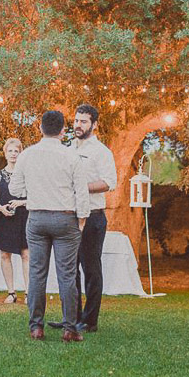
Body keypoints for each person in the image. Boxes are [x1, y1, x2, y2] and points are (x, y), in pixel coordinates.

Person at [11, 109, 90, 342]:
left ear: (40, 128)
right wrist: (82, 218)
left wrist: (35, 190)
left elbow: (15, 189)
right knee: (67, 275)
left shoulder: (27, 155)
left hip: (36, 218)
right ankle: (69, 329)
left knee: (37, 273)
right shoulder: (71, 156)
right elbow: (81, 191)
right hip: (66, 219)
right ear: (63, 130)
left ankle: (36, 327)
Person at [71, 104, 117, 332]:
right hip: (70, 217)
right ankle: (72, 317)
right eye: (76, 120)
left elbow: (109, 182)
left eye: (83, 121)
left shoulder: (101, 151)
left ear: (94, 124)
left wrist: (80, 187)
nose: (78, 125)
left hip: (93, 217)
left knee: (90, 269)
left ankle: (90, 321)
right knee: (70, 268)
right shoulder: (67, 148)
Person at [0, 137, 29, 304]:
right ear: (5, 153)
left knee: (26, 254)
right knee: (5, 255)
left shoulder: (27, 174)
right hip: (4, 219)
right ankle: (11, 292)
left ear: (20, 154)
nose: (13, 154)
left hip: (23, 218)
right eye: (10, 151)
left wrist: (21, 202)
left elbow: (36, 196)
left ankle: (28, 293)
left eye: (16, 151)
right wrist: (1, 209)